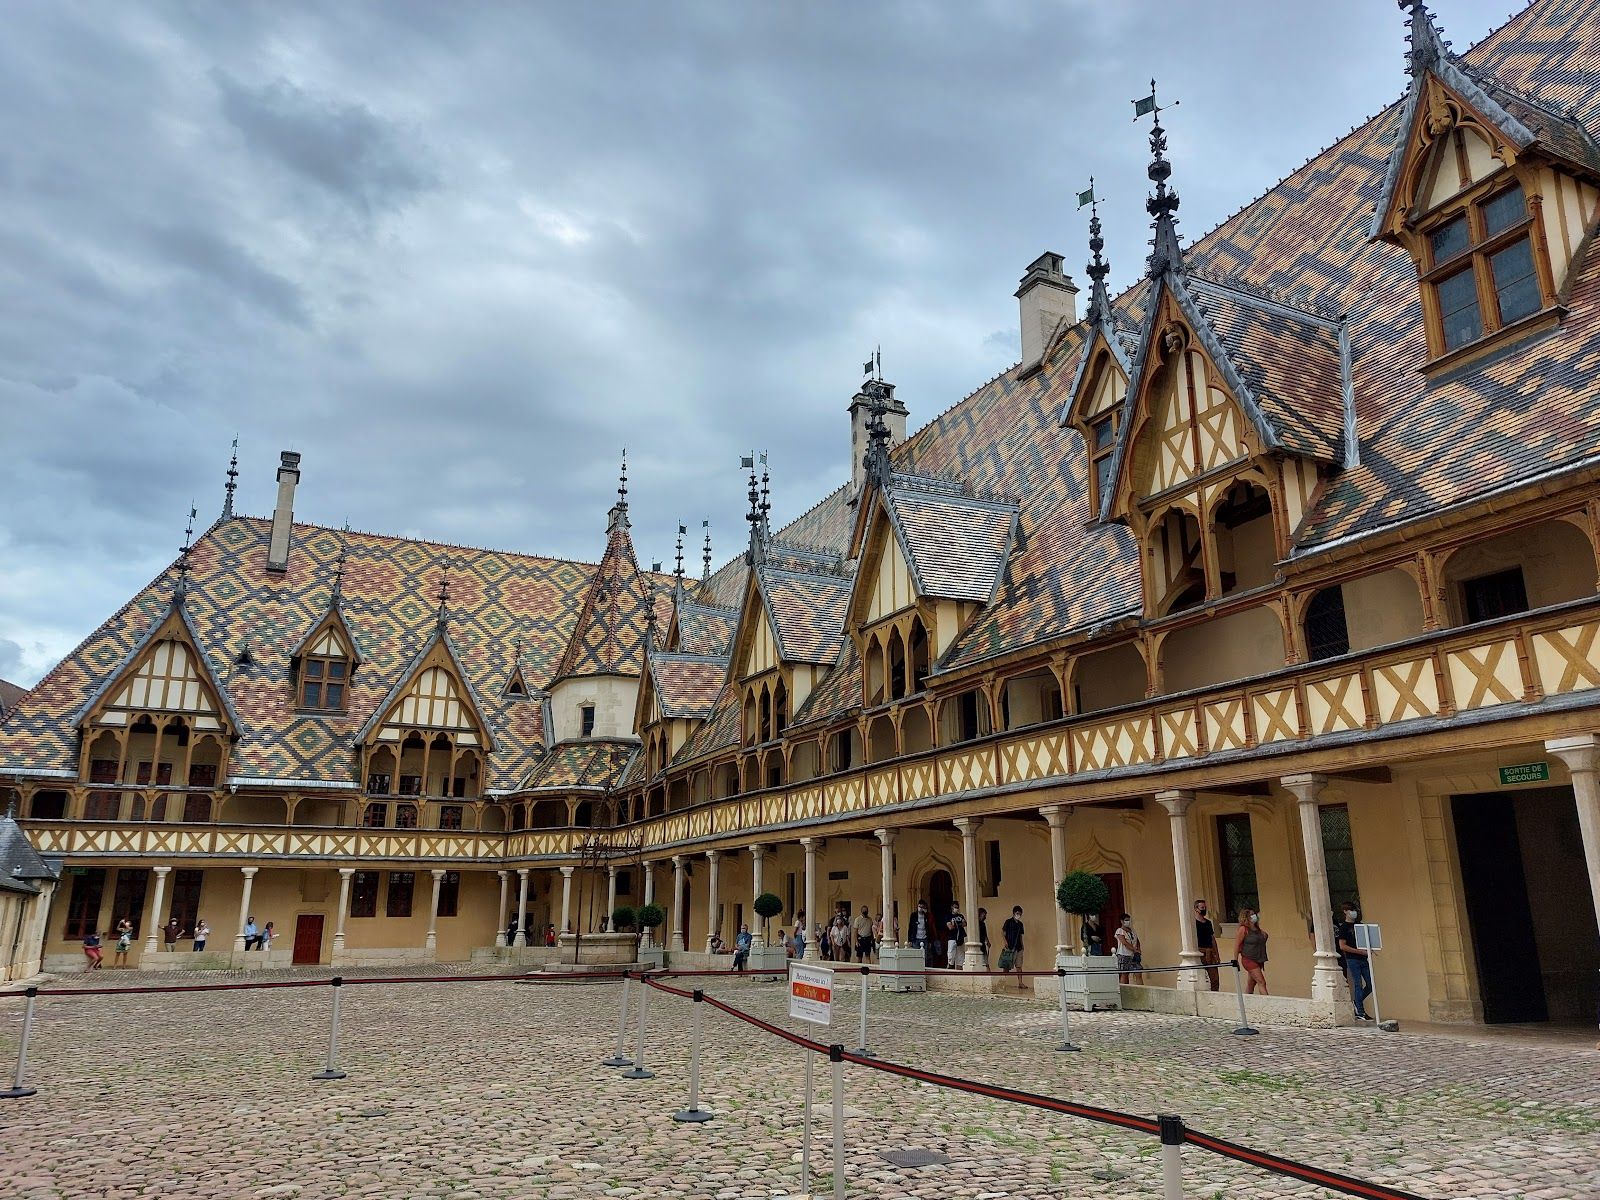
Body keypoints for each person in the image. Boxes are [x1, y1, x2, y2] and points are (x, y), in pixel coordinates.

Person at [1335, 902, 1373, 1021]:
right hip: (1353, 959)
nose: (1353, 912)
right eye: (1351, 910)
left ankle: (1357, 1003)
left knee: (1370, 984)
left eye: (1354, 910)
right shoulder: (1344, 928)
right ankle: (1360, 1011)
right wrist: (1359, 952)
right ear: (1345, 911)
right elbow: (1342, 946)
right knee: (1358, 984)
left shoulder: (1359, 925)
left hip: (1363, 959)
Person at [1235, 907, 1269, 995]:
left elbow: (1264, 936)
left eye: (1254, 914)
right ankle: (1267, 1002)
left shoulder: (1257, 930)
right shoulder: (1243, 929)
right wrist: (1235, 960)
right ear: (1247, 917)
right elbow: (1237, 945)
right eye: (1252, 915)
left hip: (1259, 958)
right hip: (1249, 959)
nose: (1254, 916)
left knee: (1251, 984)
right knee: (1261, 982)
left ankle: (1247, 1000)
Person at [1194, 900, 1220, 991]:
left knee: (1215, 978)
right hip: (1200, 952)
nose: (1204, 909)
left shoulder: (1208, 923)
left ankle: (1215, 994)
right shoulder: (1193, 924)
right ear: (1196, 909)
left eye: (1205, 907)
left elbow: (1212, 938)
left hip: (1210, 951)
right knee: (1200, 977)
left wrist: (1217, 954)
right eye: (1202, 908)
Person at [1001, 905, 1025, 989]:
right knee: (1006, 966)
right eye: (1017, 913)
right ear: (1014, 913)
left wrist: (1022, 946)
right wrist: (1005, 942)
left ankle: (1020, 983)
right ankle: (1003, 982)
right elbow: (1003, 933)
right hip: (1009, 948)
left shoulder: (1020, 924)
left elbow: (1020, 936)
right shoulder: (1008, 922)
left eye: (1020, 914)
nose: (1018, 915)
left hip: (1018, 948)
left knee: (1019, 966)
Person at [1114, 913, 1142, 985]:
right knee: (1125, 974)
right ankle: (1123, 991)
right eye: (1126, 920)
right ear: (1122, 921)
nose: (1128, 922)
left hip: (1134, 955)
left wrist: (1138, 950)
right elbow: (1124, 942)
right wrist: (1134, 949)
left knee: (1138, 972)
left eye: (1129, 920)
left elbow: (1137, 941)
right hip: (1124, 955)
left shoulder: (1132, 931)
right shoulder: (1120, 930)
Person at [945, 902, 968, 969]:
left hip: (960, 938)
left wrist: (957, 924)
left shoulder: (960, 916)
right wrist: (955, 924)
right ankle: (950, 968)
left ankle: (959, 971)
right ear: (952, 907)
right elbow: (950, 927)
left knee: (960, 957)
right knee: (951, 956)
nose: (956, 909)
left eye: (957, 907)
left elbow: (965, 924)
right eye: (955, 907)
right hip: (952, 938)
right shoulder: (948, 916)